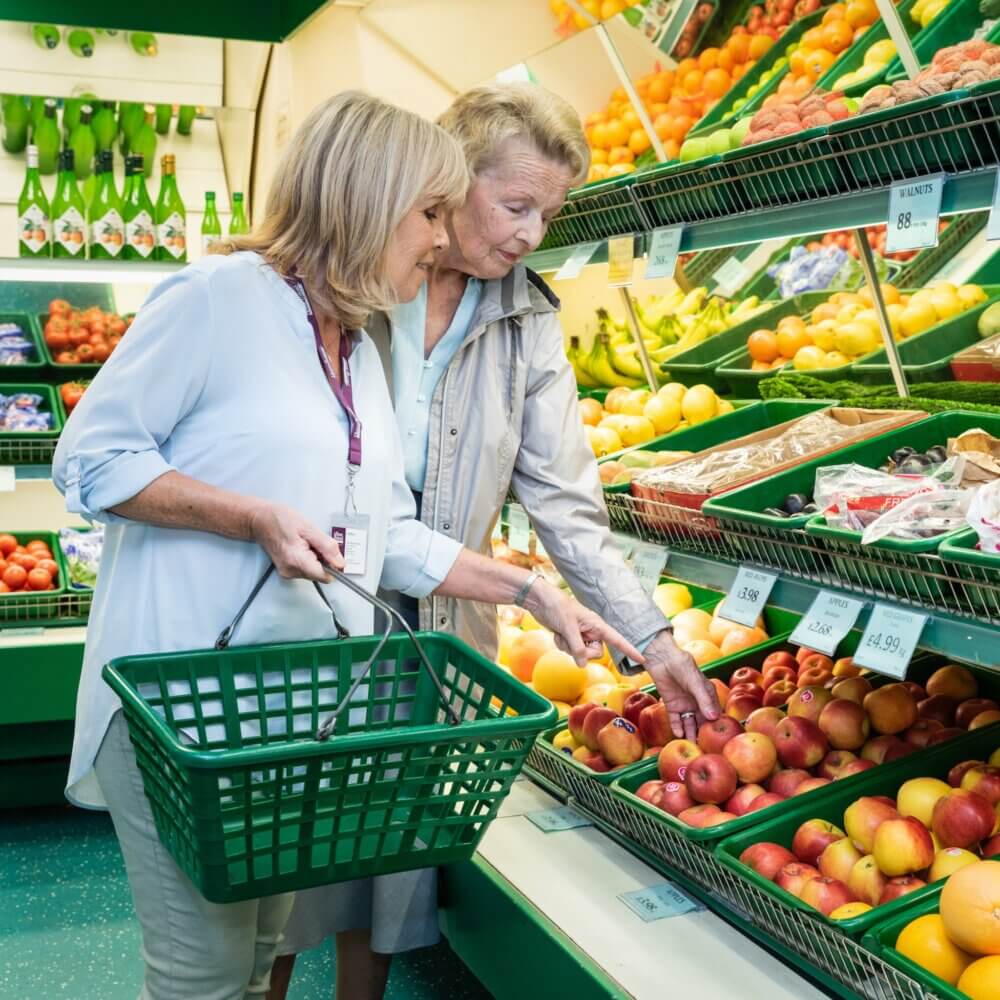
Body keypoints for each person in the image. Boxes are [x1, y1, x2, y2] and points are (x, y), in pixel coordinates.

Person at [52, 90, 641, 1000]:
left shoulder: (357, 349)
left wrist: (525, 590)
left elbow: (381, 534)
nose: (444, 241)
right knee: (203, 976)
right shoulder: (218, 302)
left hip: (285, 716)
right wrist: (249, 516)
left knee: (255, 964)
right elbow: (90, 460)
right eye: (431, 213)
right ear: (367, 201)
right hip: (182, 713)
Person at [272, 84, 720, 999]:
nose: (530, 233)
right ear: (447, 179)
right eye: (515, 205)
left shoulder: (529, 322)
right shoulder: (358, 285)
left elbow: (567, 505)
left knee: (393, 854)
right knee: (288, 851)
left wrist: (658, 638)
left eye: (548, 215)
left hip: (443, 619)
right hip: (313, 603)